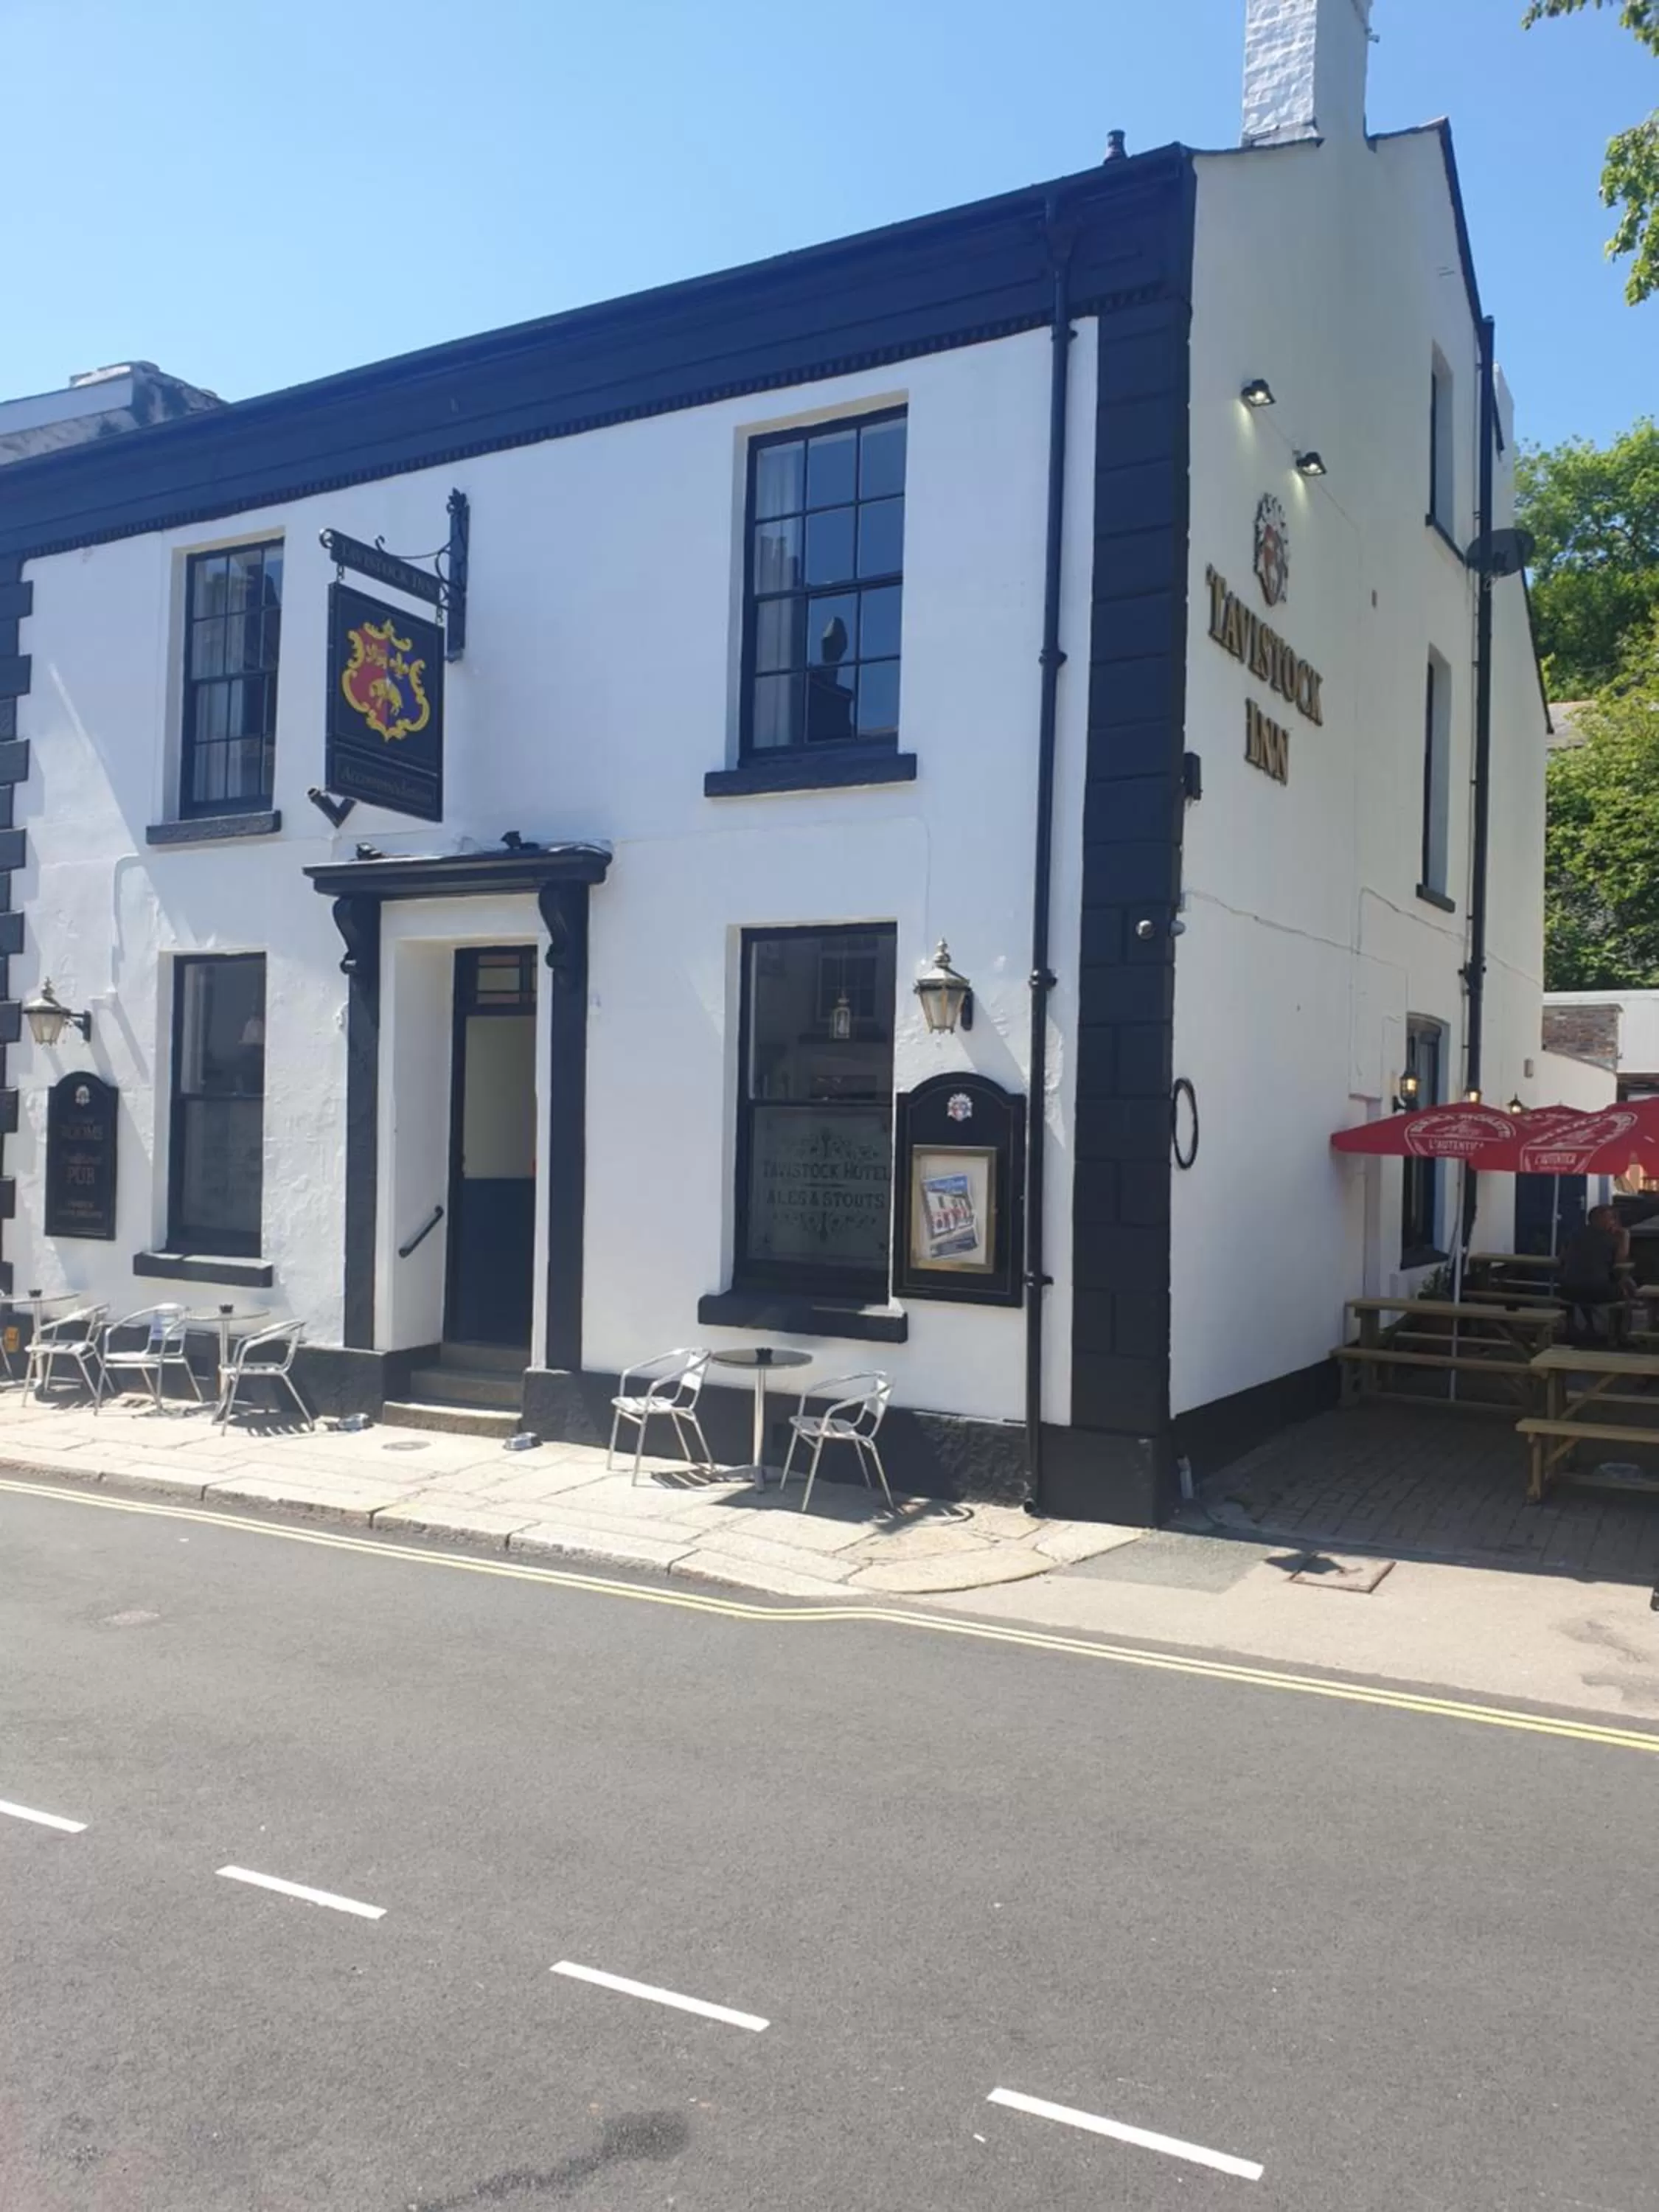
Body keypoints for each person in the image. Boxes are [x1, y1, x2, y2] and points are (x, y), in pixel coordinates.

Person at [1557, 1205, 1635, 1346]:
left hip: (1568, 1291)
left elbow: (1562, 1258)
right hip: (1598, 1291)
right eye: (1612, 1219)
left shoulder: (1574, 1234)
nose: (1614, 1222)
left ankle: (1574, 1329)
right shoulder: (1611, 1239)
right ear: (1605, 1220)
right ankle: (1619, 1335)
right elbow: (1620, 1263)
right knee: (1626, 1291)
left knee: (1575, 1283)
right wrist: (1625, 1236)